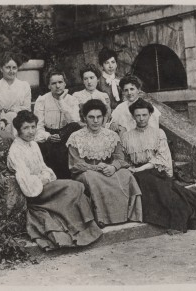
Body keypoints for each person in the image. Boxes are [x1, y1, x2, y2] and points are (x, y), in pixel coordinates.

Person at [121, 98, 196, 233]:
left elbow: (162, 157)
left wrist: (141, 168)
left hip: (154, 169)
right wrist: (131, 167)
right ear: (133, 116)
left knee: (166, 194)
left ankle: (178, 223)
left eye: (144, 115)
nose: (141, 118)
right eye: (137, 115)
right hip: (135, 172)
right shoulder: (126, 136)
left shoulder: (158, 133)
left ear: (150, 115)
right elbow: (124, 158)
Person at [7, 110, 102, 250]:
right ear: (18, 130)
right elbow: (26, 182)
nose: (31, 131)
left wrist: (45, 176)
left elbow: (43, 167)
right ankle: (78, 230)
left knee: (77, 187)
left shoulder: (32, 144)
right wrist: (42, 179)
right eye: (26, 128)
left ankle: (82, 229)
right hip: (35, 192)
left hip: (44, 184)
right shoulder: (15, 150)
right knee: (75, 187)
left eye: (33, 127)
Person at [66, 100, 142, 228]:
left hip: (108, 170)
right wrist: (95, 168)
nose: (95, 121)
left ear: (103, 118)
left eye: (99, 117)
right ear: (84, 118)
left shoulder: (112, 135)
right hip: (86, 173)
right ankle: (103, 218)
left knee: (126, 174)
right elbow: (76, 165)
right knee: (92, 177)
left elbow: (120, 158)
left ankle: (127, 215)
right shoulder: (76, 137)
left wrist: (113, 167)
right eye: (91, 117)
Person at [34, 71, 82, 179]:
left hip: (66, 135)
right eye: (54, 83)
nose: (58, 86)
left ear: (65, 84)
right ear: (49, 86)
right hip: (48, 136)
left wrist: (61, 101)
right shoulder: (42, 100)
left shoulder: (72, 100)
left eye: (60, 82)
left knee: (74, 127)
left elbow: (74, 122)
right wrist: (48, 136)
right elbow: (38, 126)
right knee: (52, 152)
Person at [0, 52, 32, 134]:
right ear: (1, 68)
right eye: (8, 67)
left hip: (21, 123)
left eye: (14, 68)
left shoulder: (24, 86)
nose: (11, 71)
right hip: (2, 123)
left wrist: (14, 110)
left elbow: (27, 108)